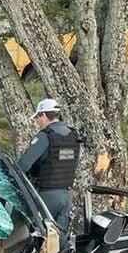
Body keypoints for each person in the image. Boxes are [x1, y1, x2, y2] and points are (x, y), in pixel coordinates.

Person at [17, 98, 81, 239]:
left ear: (44, 116)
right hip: (66, 194)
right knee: (61, 237)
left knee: (39, 236)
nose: (38, 122)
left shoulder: (45, 137)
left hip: (46, 194)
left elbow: (22, 165)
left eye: (38, 118)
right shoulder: (73, 135)